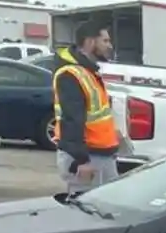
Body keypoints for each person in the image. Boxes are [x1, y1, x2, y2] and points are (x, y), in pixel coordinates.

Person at [50, 23, 121, 192]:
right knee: (87, 213)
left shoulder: (88, 71)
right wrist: (81, 161)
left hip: (100, 155)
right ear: (90, 42)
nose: (109, 46)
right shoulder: (71, 75)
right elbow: (71, 120)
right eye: (105, 40)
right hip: (87, 159)